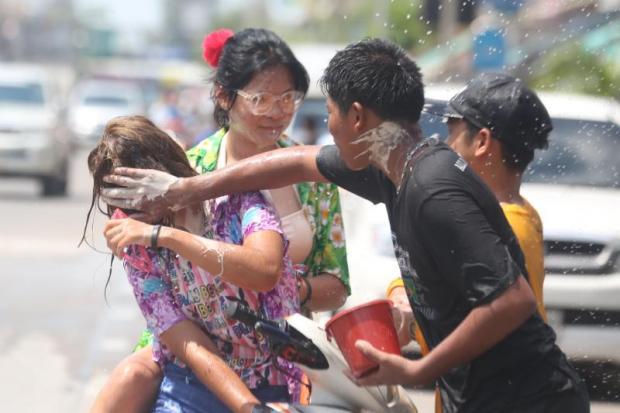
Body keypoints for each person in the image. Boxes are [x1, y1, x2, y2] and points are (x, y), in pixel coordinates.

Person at [101, 38, 589, 412]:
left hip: (526, 398)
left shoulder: (433, 188)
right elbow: (296, 162)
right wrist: (186, 190)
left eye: (329, 111)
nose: (325, 124)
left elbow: (512, 300)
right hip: (481, 392)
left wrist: (421, 365)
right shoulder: (391, 168)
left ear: (357, 116)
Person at [90, 28, 350, 413]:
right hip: (190, 342)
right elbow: (176, 327)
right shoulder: (192, 171)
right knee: (133, 376)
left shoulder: (302, 176)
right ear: (224, 96)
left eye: (288, 98)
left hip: (279, 338)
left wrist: (283, 293)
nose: (278, 111)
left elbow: (331, 284)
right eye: (261, 99)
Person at [87, 115, 302, 412]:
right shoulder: (136, 242)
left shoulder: (238, 201)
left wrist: (167, 236)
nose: (136, 213)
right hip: (197, 382)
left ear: (168, 171)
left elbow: (264, 271)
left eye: (141, 197)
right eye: (123, 205)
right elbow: (190, 345)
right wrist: (248, 408)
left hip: (276, 376)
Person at [386, 72, 552, 412]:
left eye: (451, 133)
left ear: (482, 142)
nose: (442, 145)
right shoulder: (520, 214)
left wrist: (409, 314)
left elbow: (456, 324)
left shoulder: (504, 227)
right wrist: (400, 291)